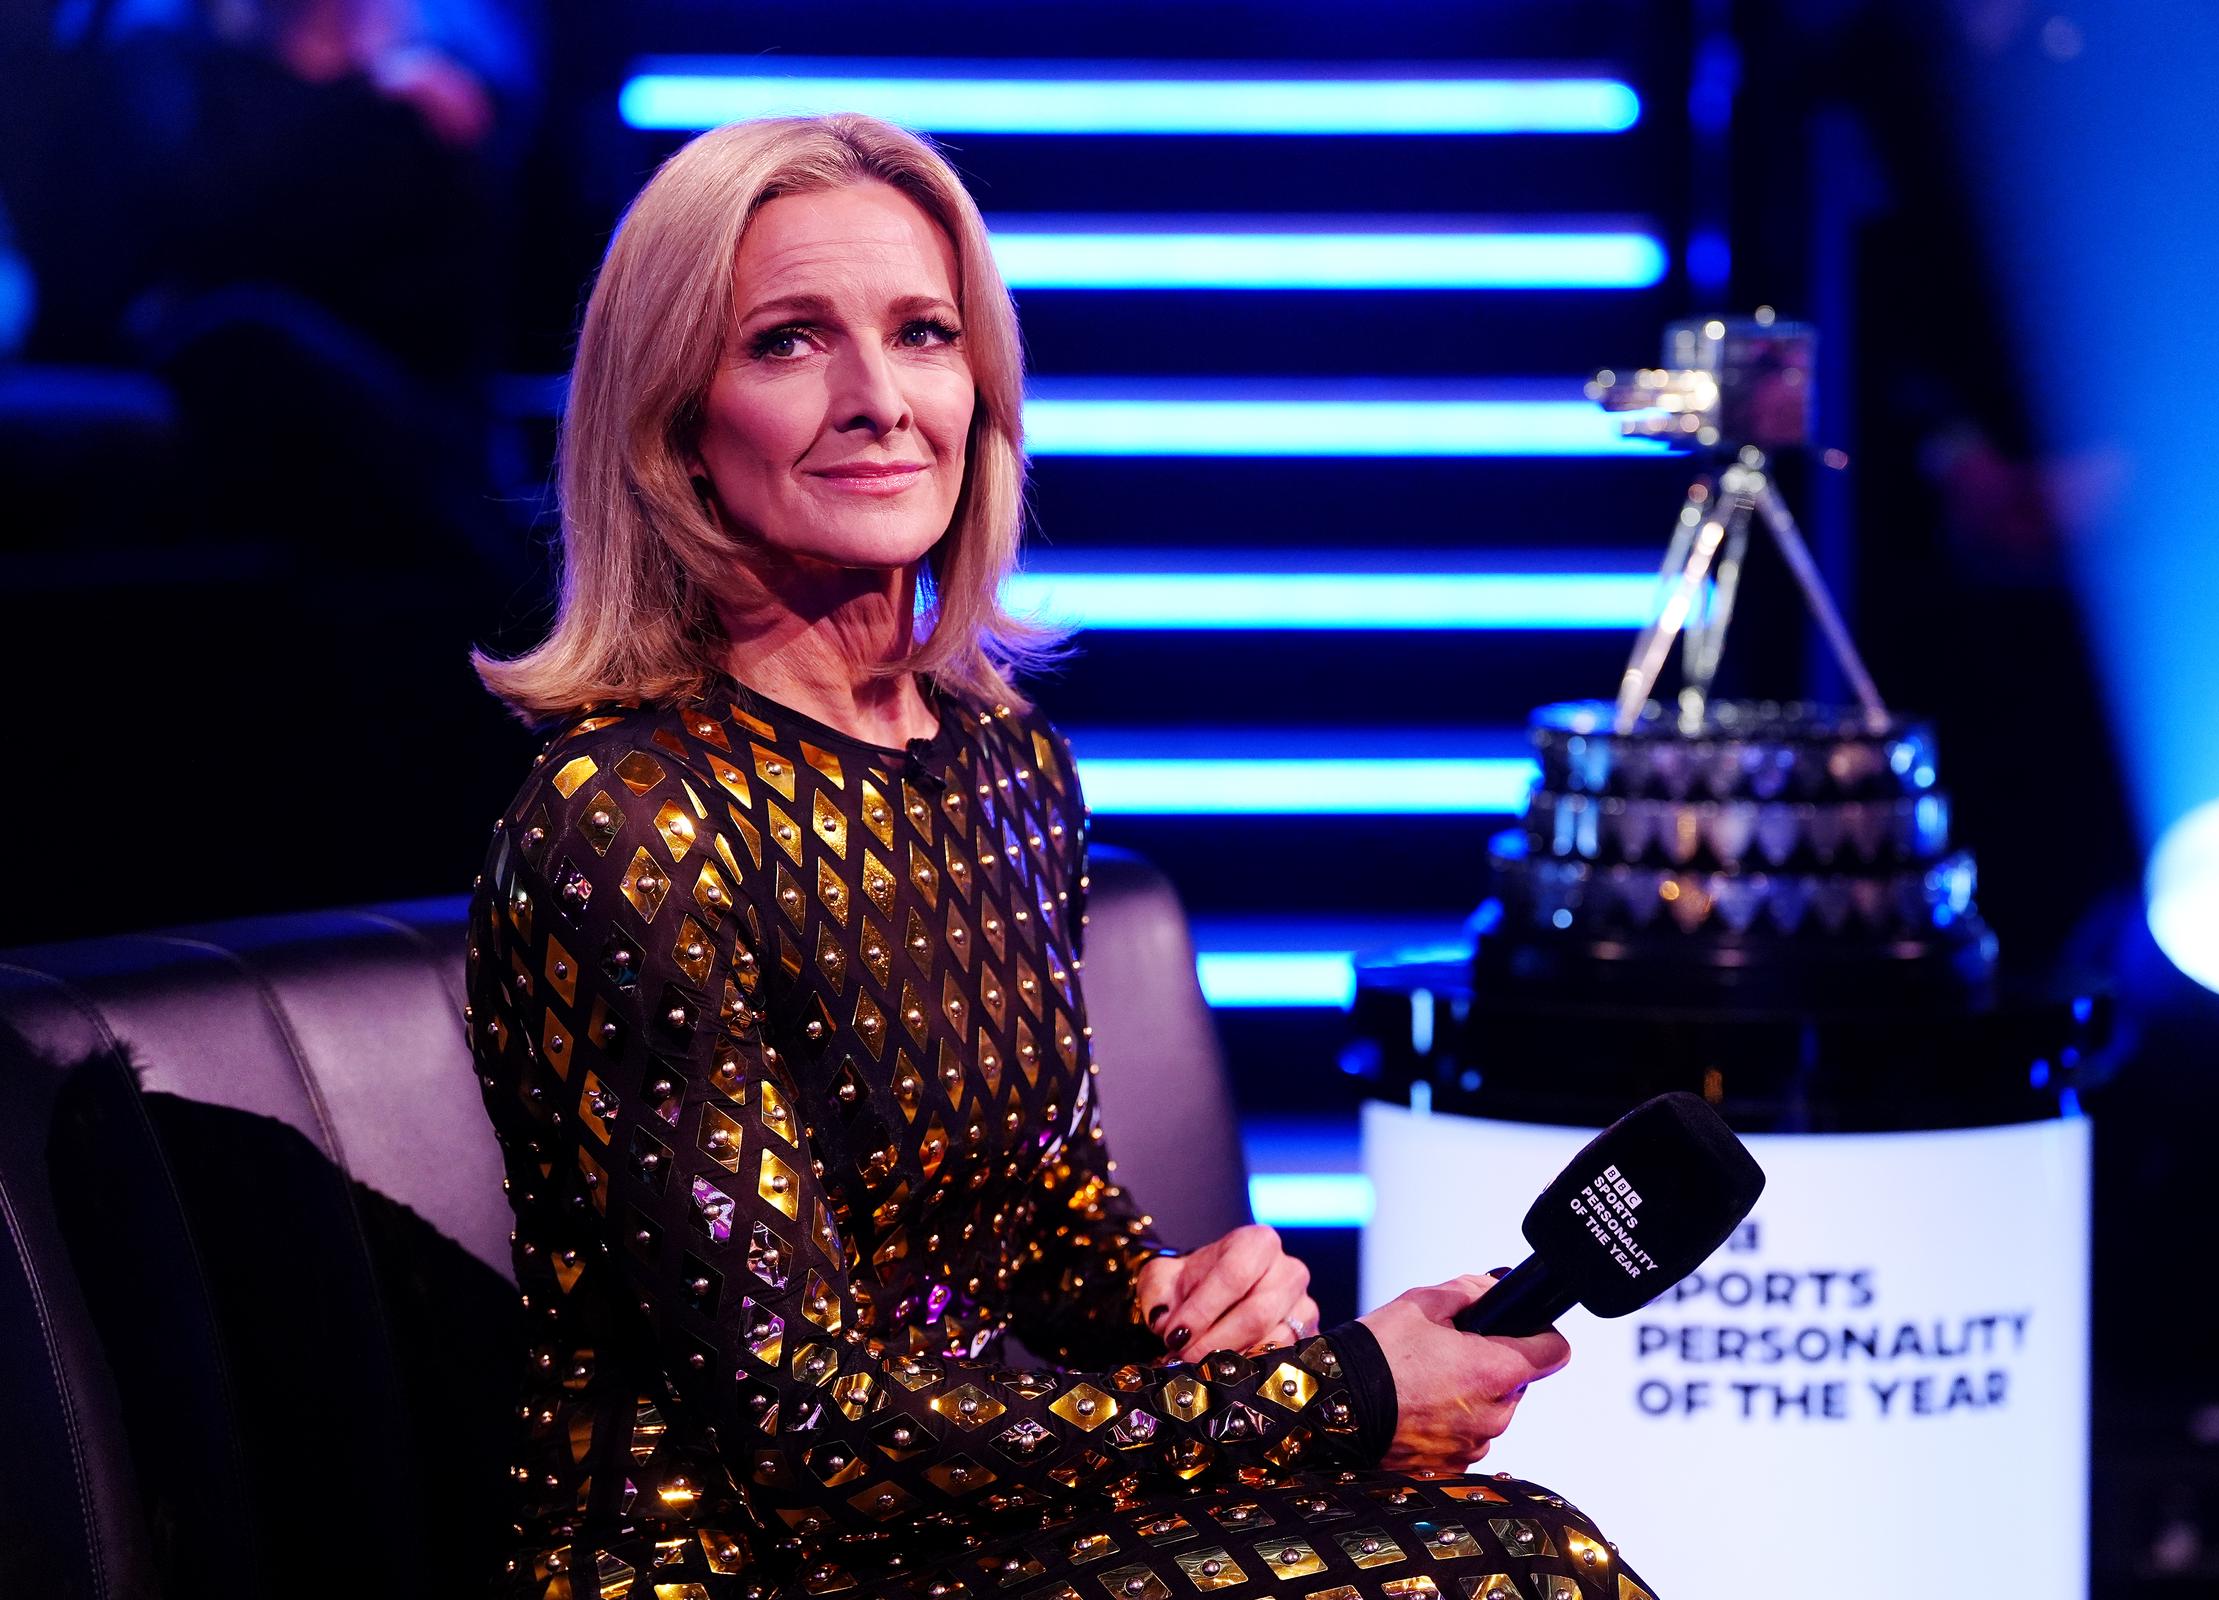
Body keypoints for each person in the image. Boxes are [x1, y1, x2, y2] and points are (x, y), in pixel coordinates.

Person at [463, 112, 1652, 1600]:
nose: (878, 399)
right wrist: (1332, 1399)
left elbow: (1040, 1211)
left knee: (1525, 1544)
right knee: (1517, 1569)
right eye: (785, 343)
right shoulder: (629, 822)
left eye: (922, 334)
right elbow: (798, 1427)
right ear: (672, 426)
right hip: (738, 1564)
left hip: (966, 1525)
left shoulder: (1001, 762)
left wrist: (1174, 1302)